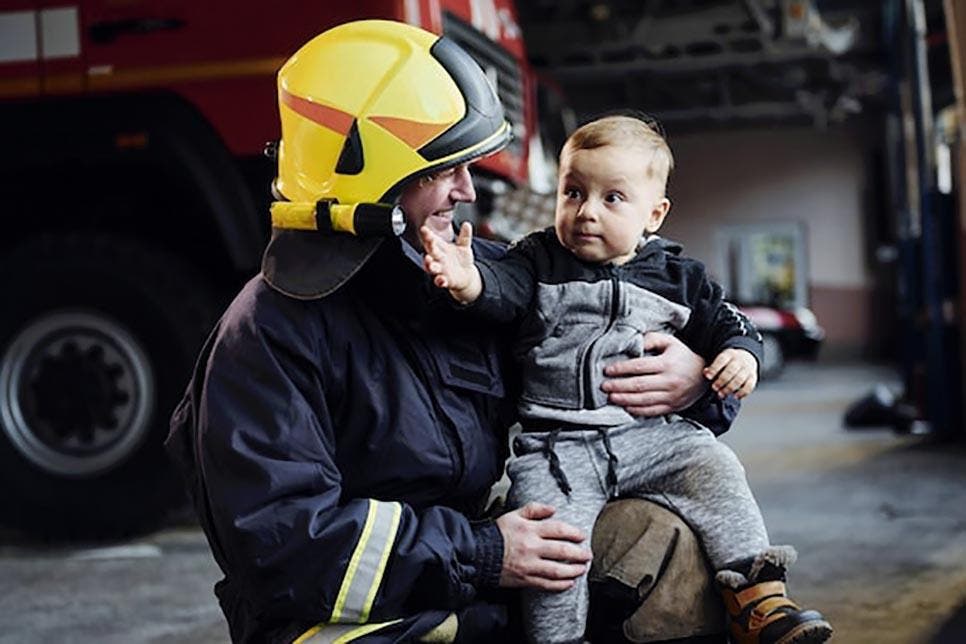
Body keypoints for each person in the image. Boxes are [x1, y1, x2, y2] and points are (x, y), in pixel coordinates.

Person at [165, 21, 735, 644]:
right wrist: (486, 551)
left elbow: (582, 368)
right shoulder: (265, 336)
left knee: (662, 538)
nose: (467, 189)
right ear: (372, 173)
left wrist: (694, 383)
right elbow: (283, 550)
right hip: (357, 622)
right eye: (445, 168)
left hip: (470, 581)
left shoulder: (465, 276)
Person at [421, 114, 834, 644]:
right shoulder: (537, 259)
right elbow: (500, 291)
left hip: (652, 437)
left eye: (612, 198)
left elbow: (731, 322)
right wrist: (468, 280)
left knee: (715, 467)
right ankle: (556, 639)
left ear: (654, 214)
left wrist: (742, 355)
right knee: (554, 551)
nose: (586, 211)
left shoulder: (679, 277)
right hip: (559, 449)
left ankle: (758, 599)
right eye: (573, 192)